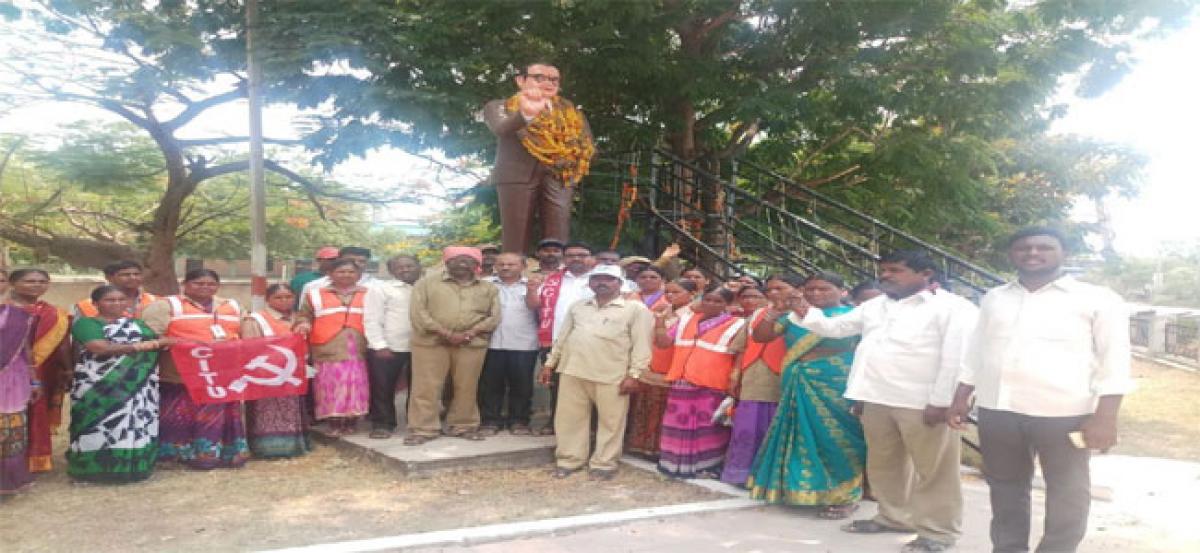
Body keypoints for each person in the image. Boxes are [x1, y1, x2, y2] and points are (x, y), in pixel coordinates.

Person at [948, 227, 1133, 553]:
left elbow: (1114, 360)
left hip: (1064, 413)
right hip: (998, 410)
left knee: (1067, 491)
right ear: (1012, 254)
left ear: (1063, 253)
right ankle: (1008, 548)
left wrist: (1106, 417)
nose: (1033, 253)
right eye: (1024, 248)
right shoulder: (995, 297)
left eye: (1043, 247)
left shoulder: (1097, 298)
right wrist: (961, 396)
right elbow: (977, 351)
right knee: (1004, 487)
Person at [792, 250, 977, 553]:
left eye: (895, 270)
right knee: (884, 464)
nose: (886, 275)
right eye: (884, 270)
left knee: (934, 470)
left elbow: (957, 358)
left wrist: (943, 402)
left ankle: (938, 532)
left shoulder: (953, 308)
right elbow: (836, 328)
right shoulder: (876, 305)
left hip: (922, 402)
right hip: (876, 398)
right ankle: (894, 517)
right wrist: (802, 308)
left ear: (926, 273)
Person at [746, 273, 866, 519]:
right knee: (799, 434)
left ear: (842, 291)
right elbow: (761, 336)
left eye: (824, 289)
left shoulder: (852, 316)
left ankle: (846, 495)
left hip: (836, 384)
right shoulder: (795, 316)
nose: (816, 294)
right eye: (811, 289)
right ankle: (798, 487)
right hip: (798, 382)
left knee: (836, 438)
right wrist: (773, 312)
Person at [541, 265, 652, 480]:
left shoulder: (635, 309)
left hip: (612, 374)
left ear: (620, 284)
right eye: (597, 279)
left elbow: (642, 345)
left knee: (611, 422)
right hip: (573, 370)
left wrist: (634, 375)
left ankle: (604, 463)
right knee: (569, 420)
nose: (602, 283)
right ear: (590, 283)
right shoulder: (578, 306)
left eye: (608, 279)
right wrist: (550, 363)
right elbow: (562, 337)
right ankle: (569, 460)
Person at [484, 60, 595, 254]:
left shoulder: (573, 114)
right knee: (515, 236)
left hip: (560, 174)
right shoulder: (500, 106)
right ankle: (513, 273)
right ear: (520, 80)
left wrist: (571, 159)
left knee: (558, 235)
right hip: (517, 176)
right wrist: (525, 114)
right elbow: (501, 129)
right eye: (539, 78)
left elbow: (588, 146)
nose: (548, 83)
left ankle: (554, 274)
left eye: (554, 79)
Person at [142, 268, 248, 469]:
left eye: (211, 284)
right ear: (185, 284)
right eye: (198, 283)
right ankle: (178, 454)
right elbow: (149, 336)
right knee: (179, 414)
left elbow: (245, 334)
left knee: (219, 415)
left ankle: (223, 453)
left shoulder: (231, 306)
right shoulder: (166, 306)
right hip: (180, 375)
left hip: (221, 376)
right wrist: (175, 343)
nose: (205, 287)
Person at [68, 285, 172, 482]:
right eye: (110, 300)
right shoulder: (87, 324)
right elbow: (100, 348)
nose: (117, 304)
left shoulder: (138, 324)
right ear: (95, 303)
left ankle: (134, 467)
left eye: (121, 299)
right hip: (98, 385)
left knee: (134, 423)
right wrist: (145, 345)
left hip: (138, 386)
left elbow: (161, 342)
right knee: (98, 424)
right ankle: (92, 470)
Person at [405, 247, 500, 445]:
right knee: (426, 386)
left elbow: (494, 316)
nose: (462, 263)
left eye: (468, 260)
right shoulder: (426, 284)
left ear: (477, 264)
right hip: (431, 343)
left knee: (467, 386)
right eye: (456, 259)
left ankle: (463, 425)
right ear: (446, 262)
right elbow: (419, 313)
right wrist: (445, 333)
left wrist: (470, 333)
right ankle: (424, 428)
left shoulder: (488, 288)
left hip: (471, 344)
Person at [656, 287, 746, 479]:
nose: (711, 304)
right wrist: (659, 323)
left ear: (727, 305)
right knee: (677, 425)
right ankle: (674, 464)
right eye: (708, 300)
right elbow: (664, 343)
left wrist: (735, 378)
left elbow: (740, 354)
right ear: (701, 300)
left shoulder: (737, 324)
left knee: (708, 427)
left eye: (718, 301)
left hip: (712, 384)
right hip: (682, 382)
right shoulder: (686, 320)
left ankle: (707, 465)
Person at [3, 268, 72, 473]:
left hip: (44, 368)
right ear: (13, 283)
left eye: (42, 281)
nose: (37, 285)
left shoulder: (55, 313)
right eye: (30, 281)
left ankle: (35, 458)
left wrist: (68, 370)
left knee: (37, 411)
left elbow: (62, 345)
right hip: (10, 369)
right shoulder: (5, 309)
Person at [720, 279, 787, 486]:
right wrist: (735, 376)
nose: (774, 293)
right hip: (752, 378)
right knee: (747, 429)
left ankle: (768, 477)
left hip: (781, 380)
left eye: (780, 288)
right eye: (770, 289)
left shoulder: (801, 316)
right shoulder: (758, 315)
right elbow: (741, 348)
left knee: (773, 429)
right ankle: (740, 474)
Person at [527, 240, 596, 435]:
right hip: (556, 341)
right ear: (564, 259)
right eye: (571, 255)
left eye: (582, 255)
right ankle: (555, 422)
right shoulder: (550, 280)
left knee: (589, 384)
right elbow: (534, 305)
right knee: (556, 385)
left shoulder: (602, 279)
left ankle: (589, 426)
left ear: (591, 258)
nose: (576, 259)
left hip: (593, 343)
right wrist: (531, 290)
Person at [295, 259, 370, 436]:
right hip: (327, 347)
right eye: (341, 271)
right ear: (330, 274)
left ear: (358, 275)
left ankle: (351, 421)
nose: (346, 275)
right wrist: (303, 324)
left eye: (351, 272)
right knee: (329, 385)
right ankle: (334, 422)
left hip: (358, 347)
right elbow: (303, 316)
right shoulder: (314, 294)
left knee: (355, 385)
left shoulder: (369, 294)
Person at [625, 277, 696, 459]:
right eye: (668, 292)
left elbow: (666, 342)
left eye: (676, 292)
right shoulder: (662, 311)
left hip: (672, 368)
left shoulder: (691, 316)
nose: (670, 296)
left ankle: (659, 449)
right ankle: (641, 445)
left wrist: (660, 323)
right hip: (651, 365)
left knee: (663, 410)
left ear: (692, 295)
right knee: (646, 406)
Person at [241, 284, 310, 457]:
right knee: (266, 412)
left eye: (288, 297)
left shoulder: (299, 319)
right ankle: (267, 448)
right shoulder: (255, 319)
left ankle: (293, 446)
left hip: (293, 373)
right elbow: (250, 347)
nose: (284, 301)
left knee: (292, 409)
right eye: (278, 297)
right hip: (266, 375)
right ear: (268, 299)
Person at [479, 253, 540, 435]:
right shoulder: (485, 284)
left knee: (521, 385)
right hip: (491, 342)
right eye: (501, 264)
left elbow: (535, 307)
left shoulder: (533, 284)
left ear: (523, 266)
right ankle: (490, 420)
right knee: (490, 385)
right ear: (495, 266)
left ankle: (519, 421)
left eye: (511, 264)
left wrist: (531, 290)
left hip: (523, 342)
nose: (505, 267)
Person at [363, 254, 420, 439]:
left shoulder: (426, 287)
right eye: (399, 267)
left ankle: (417, 423)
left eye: (409, 266)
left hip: (422, 347)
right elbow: (371, 319)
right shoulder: (381, 289)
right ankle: (383, 424)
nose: (405, 270)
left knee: (419, 388)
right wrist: (379, 345)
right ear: (391, 271)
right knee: (383, 387)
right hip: (389, 346)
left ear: (418, 266)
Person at [0, 300, 35, 495]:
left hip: (10, 378)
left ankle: (7, 480)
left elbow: (26, 349)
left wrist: (35, 380)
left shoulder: (17, 315)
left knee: (9, 428)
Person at [72, 260, 159, 319]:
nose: (133, 277)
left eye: (136, 274)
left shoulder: (156, 301)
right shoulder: (86, 306)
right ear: (109, 277)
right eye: (125, 275)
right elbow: (79, 341)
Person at [301, 246, 377, 296]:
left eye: (361, 261)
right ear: (339, 260)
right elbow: (304, 316)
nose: (356, 264)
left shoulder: (377, 287)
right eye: (350, 260)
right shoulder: (314, 286)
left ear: (367, 263)